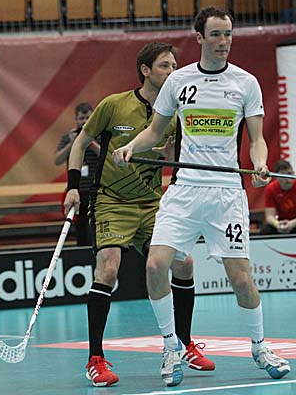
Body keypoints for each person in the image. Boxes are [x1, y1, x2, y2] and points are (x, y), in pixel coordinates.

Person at [113, 7, 291, 387]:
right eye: (216, 35)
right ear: (200, 38)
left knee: (241, 279)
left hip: (226, 194)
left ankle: (260, 347)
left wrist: (260, 163)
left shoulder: (246, 83)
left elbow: (257, 140)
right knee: (155, 265)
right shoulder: (179, 81)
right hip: (185, 190)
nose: (223, 42)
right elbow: (155, 132)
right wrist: (130, 146)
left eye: (228, 34)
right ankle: (170, 347)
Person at [63, 42, 214, 388]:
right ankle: (96, 359)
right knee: (108, 268)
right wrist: (72, 187)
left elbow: (178, 159)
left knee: (184, 264)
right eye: (164, 66)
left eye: (174, 65)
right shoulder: (114, 105)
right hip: (112, 201)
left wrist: (176, 171)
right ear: (145, 70)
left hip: (152, 204)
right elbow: (80, 143)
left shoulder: (175, 114)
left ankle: (184, 345)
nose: (172, 72)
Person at [55, 103, 98, 246]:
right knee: (80, 227)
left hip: (95, 189)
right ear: (76, 119)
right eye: (81, 118)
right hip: (76, 190)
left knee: (95, 225)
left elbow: (107, 156)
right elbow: (57, 160)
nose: (84, 121)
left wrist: (91, 143)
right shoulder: (69, 136)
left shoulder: (98, 135)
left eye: (88, 118)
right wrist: (74, 144)